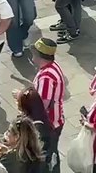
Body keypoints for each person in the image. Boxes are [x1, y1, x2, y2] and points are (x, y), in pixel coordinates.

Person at [30, 39, 65, 173]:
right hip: (55, 120)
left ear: (39, 56)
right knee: (52, 152)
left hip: (48, 124)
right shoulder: (52, 67)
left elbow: (42, 104)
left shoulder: (46, 77)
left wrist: (24, 100)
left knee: (47, 156)